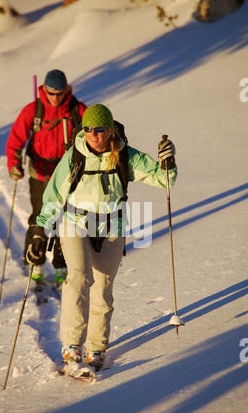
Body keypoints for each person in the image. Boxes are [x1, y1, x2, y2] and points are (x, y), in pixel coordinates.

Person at [25, 104, 177, 372]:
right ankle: (72, 346)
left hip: (111, 228)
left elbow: (162, 180)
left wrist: (168, 163)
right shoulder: (75, 157)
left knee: (103, 290)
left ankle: (96, 348)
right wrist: (40, 231)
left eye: (100, 129)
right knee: (79, 277)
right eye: (89, 129)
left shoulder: (124, 156)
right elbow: (53, 197)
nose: (94, 134)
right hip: (76, 223)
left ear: (110, 130)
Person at [5, 69, 87, 284]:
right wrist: (14, 165)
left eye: (60, 93)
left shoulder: (77, 110)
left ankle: (61, 266)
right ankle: (36, 262)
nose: (56, 98)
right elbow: (15, 140)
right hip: (39, 173)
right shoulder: (34, 110)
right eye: (51, 93)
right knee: (39, 217)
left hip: (68, 175)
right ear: (44, 89)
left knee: (65, 220)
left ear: (66, 90)